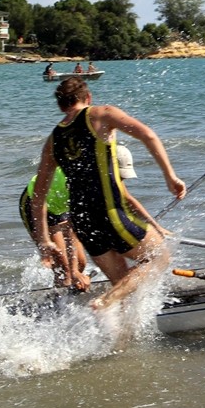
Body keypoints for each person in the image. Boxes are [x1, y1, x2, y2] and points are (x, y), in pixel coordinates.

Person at [30, 77, 186, 311]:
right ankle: (105, 301)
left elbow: (38, 195)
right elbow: (148, 135)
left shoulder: (53, 139)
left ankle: (122, 343)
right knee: (159, 257)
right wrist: (170, 176)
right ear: (88, 97)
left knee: (123, 284)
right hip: (109, 213)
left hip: (81, 220)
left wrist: (43, 239)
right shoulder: (101, 114)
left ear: (61, 106)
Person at [19, 166, 90, 290]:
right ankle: (60, 301)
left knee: (81, 263)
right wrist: (72, 271)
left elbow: (74, 231)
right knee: (64, 268)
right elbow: (69, 235)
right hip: (35, 202)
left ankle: (67, 287)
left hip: (59, 206)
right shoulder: (76, 183)